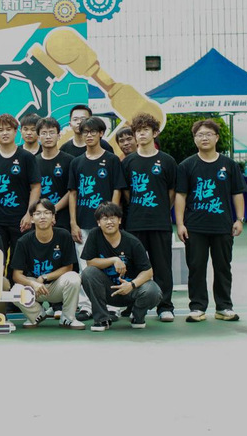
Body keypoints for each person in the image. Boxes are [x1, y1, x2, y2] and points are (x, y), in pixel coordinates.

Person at [175, 119, 247, 323]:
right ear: (194, 139)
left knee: (223, 267)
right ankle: (197, 307)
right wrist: (180, 224)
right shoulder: (186, 165)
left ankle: (224, 307)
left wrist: (239, 219)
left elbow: (237, 193)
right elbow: (180, 195)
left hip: (222, 226)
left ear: (216, 137)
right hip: (194, 227)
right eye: (200, 135)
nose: (204, 138)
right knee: (196, 267)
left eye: (208, 134)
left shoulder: (229, 165)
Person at [67, 116, 126, 321]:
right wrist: (73, 222)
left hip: (107, 225)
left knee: (109, 266)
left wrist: (112, 217)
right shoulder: (76, 162)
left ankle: (112, 306)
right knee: (85, 267)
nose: (89, 135)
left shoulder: (111, 160)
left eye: (93, 131)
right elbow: (73, 193)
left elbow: (117, 189)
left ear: (101, 133)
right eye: (85, 132)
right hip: (83, 223)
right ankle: (86, 306)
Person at [122, 113, 177, 322]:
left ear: (155, 133)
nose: (141, 134)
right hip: (135, 223)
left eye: (146, 130)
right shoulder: (128, 162)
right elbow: (127, 192)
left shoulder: (167, 161)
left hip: (160, 223)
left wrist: (162, 209)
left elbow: (171, 192)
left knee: (162, 266)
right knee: (133, 267)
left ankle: (165, 306)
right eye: (138, 131)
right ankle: (132, 305)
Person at [80, 202, 162, 331]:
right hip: (108, 290)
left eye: (112, 218)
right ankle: (102, 319)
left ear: (119, 220)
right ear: (98, 222)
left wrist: (131, 285)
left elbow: (148, 272)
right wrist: (114, 260)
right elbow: (90, 262)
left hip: (131, 290)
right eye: (105, 218)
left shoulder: (132, 242)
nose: (109, 222)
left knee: (153, 291)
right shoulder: (95, 235)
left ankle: (137, 315)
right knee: (88, 273)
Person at [10, 199, 85, 330]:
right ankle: (37, 314)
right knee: (15, 291)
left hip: (57, 285)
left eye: (47, 213)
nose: (42, 216)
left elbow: (69, 268)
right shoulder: (23, 241)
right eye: (38, 213)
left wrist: (45, 277)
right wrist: (33, 283)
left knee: (74, 278)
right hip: (35, 287)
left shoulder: (63, 235)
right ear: (32, 219)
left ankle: (68, 318)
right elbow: (16, 275)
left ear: (53, 217)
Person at [0, 113, 41, 260]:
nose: (4, 133)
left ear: (15, 131)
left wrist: (29, 214)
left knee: (19, 262)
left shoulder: (27, 157)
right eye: (0, 130)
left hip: (21, 220)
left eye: (8, 129)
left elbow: (36, 187)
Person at [35, 117, 73, 232]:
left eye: (52, 133)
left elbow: (72, 191)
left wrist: (53, 210)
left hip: (63, 217)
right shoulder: (32, 162)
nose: (48, 137)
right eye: (44, 133)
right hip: (39, 217)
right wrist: (44, 212)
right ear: (38, 137)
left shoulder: (70, 161)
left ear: (59, 135)